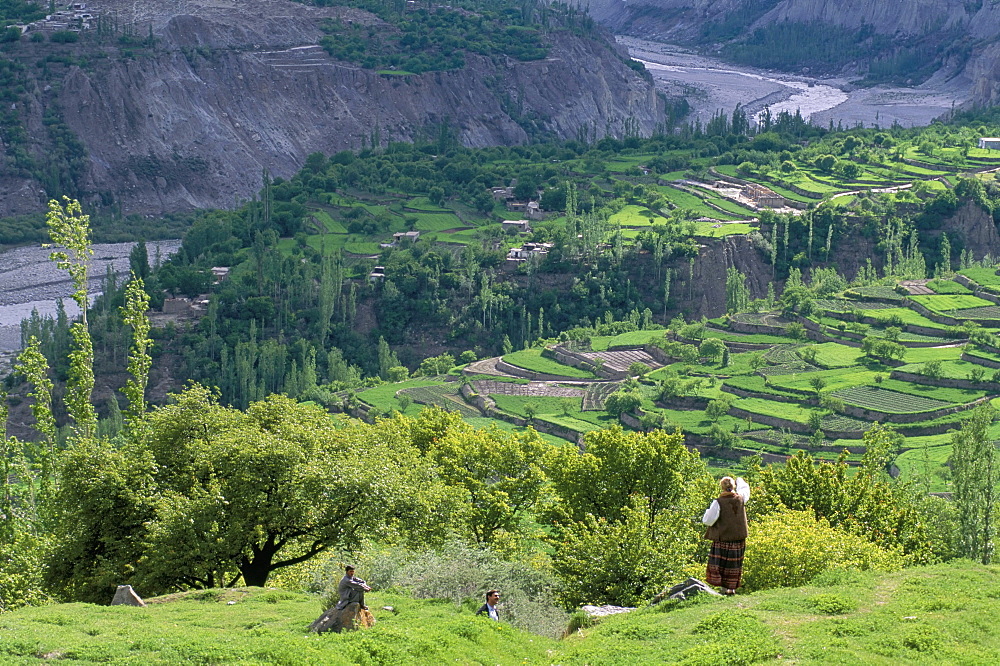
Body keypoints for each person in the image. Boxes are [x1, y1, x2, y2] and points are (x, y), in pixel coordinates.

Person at [702, 476, 750, 595]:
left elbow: (708, 520)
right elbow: (745, 488)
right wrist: (739, 479)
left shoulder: (718, 502)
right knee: (734, 565)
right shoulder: (741, 498)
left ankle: (723, 590)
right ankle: (732, 590)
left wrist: (707, 512)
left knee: (721, 566)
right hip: (738, 539)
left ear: (721, 487)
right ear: (733, 486)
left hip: (723, 539)